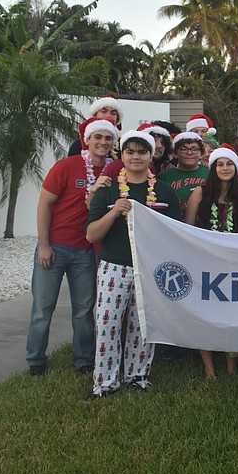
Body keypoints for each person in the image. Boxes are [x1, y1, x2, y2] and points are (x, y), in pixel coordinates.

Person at [85, 131, 181, 399]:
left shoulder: (163, 191)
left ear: (152, 156)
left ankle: (138, 375)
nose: (136, 156)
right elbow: (91, 234)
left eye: (142, 152)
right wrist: (114, 211)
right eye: (130, 151)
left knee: (142, 325)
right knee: (107, 324)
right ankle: (105, 382)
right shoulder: (107, 189)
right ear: (122, 155)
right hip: (114, 266)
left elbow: (174, 233)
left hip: (148, 268)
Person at [26, 117, 117, 376]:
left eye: (108, 138)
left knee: (84, 308)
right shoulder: (67, 166)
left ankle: (84, 358)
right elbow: (45, 204)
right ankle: (35, 359)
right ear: (86, 141)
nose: (102, 142)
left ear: (113, 143)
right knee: (43, 307)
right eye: (97, 137)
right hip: (55, 246)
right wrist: (44, 245)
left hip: (87, 250)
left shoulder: (112, 172)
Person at [184, 146, 238, 378]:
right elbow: (188, 227)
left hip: (233, 264)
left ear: (236, 168)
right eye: (220, 164)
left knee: (232, 315)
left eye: (229, 164)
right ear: (213, 168)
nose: (224, 168)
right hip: (203, 261)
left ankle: (232, 368)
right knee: (205, 314)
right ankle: (209, 369)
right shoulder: (200, 193)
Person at [157, 132, 209, 213]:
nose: (189, 153)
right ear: (175, 153)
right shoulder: (164, 176)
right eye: (184, 149)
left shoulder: (210, 174)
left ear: (201, 153)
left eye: (194, 149)